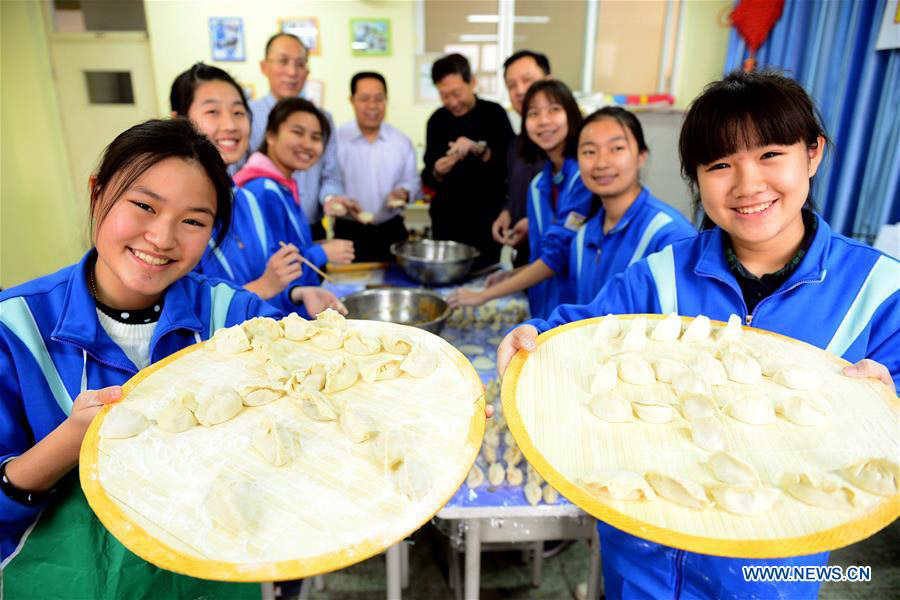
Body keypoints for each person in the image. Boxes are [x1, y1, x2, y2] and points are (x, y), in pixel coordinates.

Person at [497, 70, 899, 599]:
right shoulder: (662, 274)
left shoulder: (878, 290)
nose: (748, 184)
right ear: (695, 177)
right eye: (720, 165)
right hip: (640, 556)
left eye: (770, 155)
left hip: (771, 571)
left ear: (813, 154)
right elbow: (583, 327)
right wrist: (531, 334)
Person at [0, 119, 276, 598]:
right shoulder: (16, 327)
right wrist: (70, 442)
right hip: (69, 584)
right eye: (144, 206)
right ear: (98, 194)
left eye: (193, 221)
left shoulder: (235, 318)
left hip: (210, 585)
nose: (163, 237)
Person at [170, 62, 344, 317]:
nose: (230, 124)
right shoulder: (173, 209)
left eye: (238, 112)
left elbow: (268, 281)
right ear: (179, 121)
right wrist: (265, 286)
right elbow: (182, 311)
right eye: (212, 112)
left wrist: (297, 294)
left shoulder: (245, 199)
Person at [449, 80, 592, 319]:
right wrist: (513, 276)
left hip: (577, 312)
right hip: (545, 306)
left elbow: (557, 259)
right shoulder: (540, 183)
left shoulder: (584, 177)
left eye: (554, 109)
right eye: (534, 113)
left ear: (571, 113)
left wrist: (484, 295)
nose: (544, 121)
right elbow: (551, 256)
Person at [566, 107, 696, 304]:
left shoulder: (672, 237)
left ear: (641, 156)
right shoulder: (582, 239)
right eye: (589, 151)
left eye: (617, 148)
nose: (601, 162)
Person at [234, 97, 355, 296]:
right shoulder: (264, 191)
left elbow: (288, 245)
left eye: (316, 137)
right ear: (271, 135)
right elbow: (272, 267)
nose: (308, 144)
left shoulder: (282, 185)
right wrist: (323, 253)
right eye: (298, 133)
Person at [247, 33, 357, 239]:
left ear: (307, 72)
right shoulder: (247, 116)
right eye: (283, 61)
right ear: (264, 66)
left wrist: (331, 198)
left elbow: (330, 174)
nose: (292, 71)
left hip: (311, 228)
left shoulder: (323, 118)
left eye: (299, 64)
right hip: (263, 232)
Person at [422, 53, 514, 270]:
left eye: (457, 93)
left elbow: (509, 166)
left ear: (472, 82)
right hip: (446, 223)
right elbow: (427, 177)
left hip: (486, 223)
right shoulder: (437, 121)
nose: (452, 102)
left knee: (484, 282)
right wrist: (437, 171)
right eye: (444, 95)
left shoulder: (495, 114)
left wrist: (479, 150)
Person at [335, 71, 420, 262]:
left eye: (379, 99)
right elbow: (328, 182)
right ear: (352, 100)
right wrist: (342, 202)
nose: (372, 106)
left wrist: (403, 192)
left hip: (391, 230)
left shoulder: (401, 141)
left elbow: (413, 182)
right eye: (364, 99)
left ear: (386, 100)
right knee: (346, 287)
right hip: (348, 232)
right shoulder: (336, 140)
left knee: (395, 286)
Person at [492, 50, 552, 267]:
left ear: (549, 81)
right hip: (524, 260)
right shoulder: (515, 144)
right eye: (511, 85)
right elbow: (514, 191)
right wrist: (507, 212)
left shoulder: (571, 145)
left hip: (559, 266)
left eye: (528, 80)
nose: (520, 91)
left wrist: (536, 224)